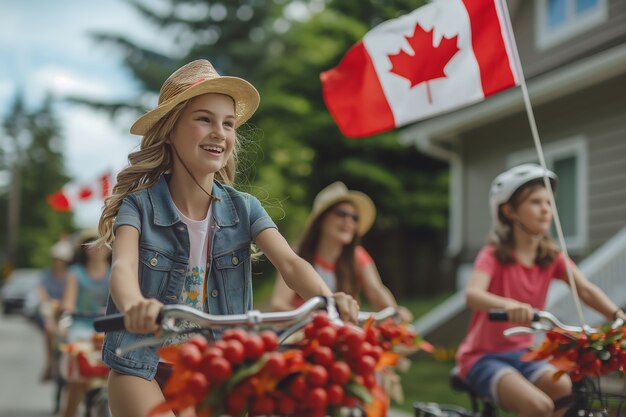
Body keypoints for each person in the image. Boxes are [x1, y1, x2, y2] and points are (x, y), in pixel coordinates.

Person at [94, 59, 360, 417]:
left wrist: (328, 301)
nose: (220, 131)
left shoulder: (244, 208)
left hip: (215, 367)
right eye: (204, 119)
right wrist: (135, 306)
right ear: (170, 131)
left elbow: (291, 264)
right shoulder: (138, 206)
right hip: (143, 362)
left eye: (228, 123)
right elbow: (122, 269)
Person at [455, 163, 626, 417]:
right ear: (509, 210)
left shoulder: (551, 256)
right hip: (484, 357)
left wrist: (618, 317)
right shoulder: (493, 254)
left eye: (549, 202)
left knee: (564, 389)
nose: (546, 209)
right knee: (538, 406)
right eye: (535, 202)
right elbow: (473, 295)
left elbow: (585, 290)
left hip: (525, 353)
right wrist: (507, 305)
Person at [269, 181, 413, 322]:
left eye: (354, 217)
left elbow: (376, 291)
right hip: (303, 335)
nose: (349, 221)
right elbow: (278, 304)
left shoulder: (358, 256)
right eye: (341, 213)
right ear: (321, 219)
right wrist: (315, 321)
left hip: (342, 335)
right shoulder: (298, 254)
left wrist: (396, 312)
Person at [60, 230, 111, 417]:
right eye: (91, 243)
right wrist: (69, 308)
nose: (97, 248)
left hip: (109, 327)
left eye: (102, 243)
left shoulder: (116, 271)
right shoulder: (76, 273)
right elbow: (68, 301)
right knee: (78, 376)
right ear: (85, 250)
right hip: (81, 326)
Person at [38, 238, 74, 382]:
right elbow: (41, 291)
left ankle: (64, 365)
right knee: (48, 331)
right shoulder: (47, 274)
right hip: (51, 311)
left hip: (65, 310)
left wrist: (63, 303)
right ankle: (49, 364)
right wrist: (48, 301)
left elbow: (70, 293)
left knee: (67, 333)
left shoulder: (70, 276)